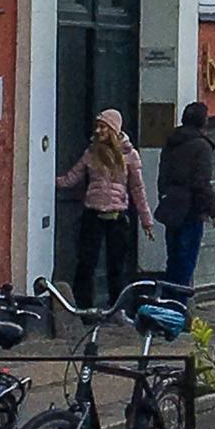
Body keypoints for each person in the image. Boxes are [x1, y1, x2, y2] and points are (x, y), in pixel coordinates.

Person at [57, 107, 154, 311]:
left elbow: (137, 189)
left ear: (114, 130)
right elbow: (72, 177)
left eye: (103, 127)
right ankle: (84, 307)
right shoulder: (91, 153)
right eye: (97, 127)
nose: (98, 131)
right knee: (86, 263)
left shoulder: (130, 155)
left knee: (116, 266)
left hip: (117, 217)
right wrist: (50, 180)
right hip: (93, 214)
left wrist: (146, 220)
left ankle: (116, 309)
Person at [154, 102, 215, 293]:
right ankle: (177, 306)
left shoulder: (172, 142)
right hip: (190, 212)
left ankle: (167, 303)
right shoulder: (201, 146)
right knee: (185, 264)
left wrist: (165, 197)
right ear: (203, 121)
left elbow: (162, 177)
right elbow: (201, 183)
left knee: (174, 260)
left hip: (172, 209)